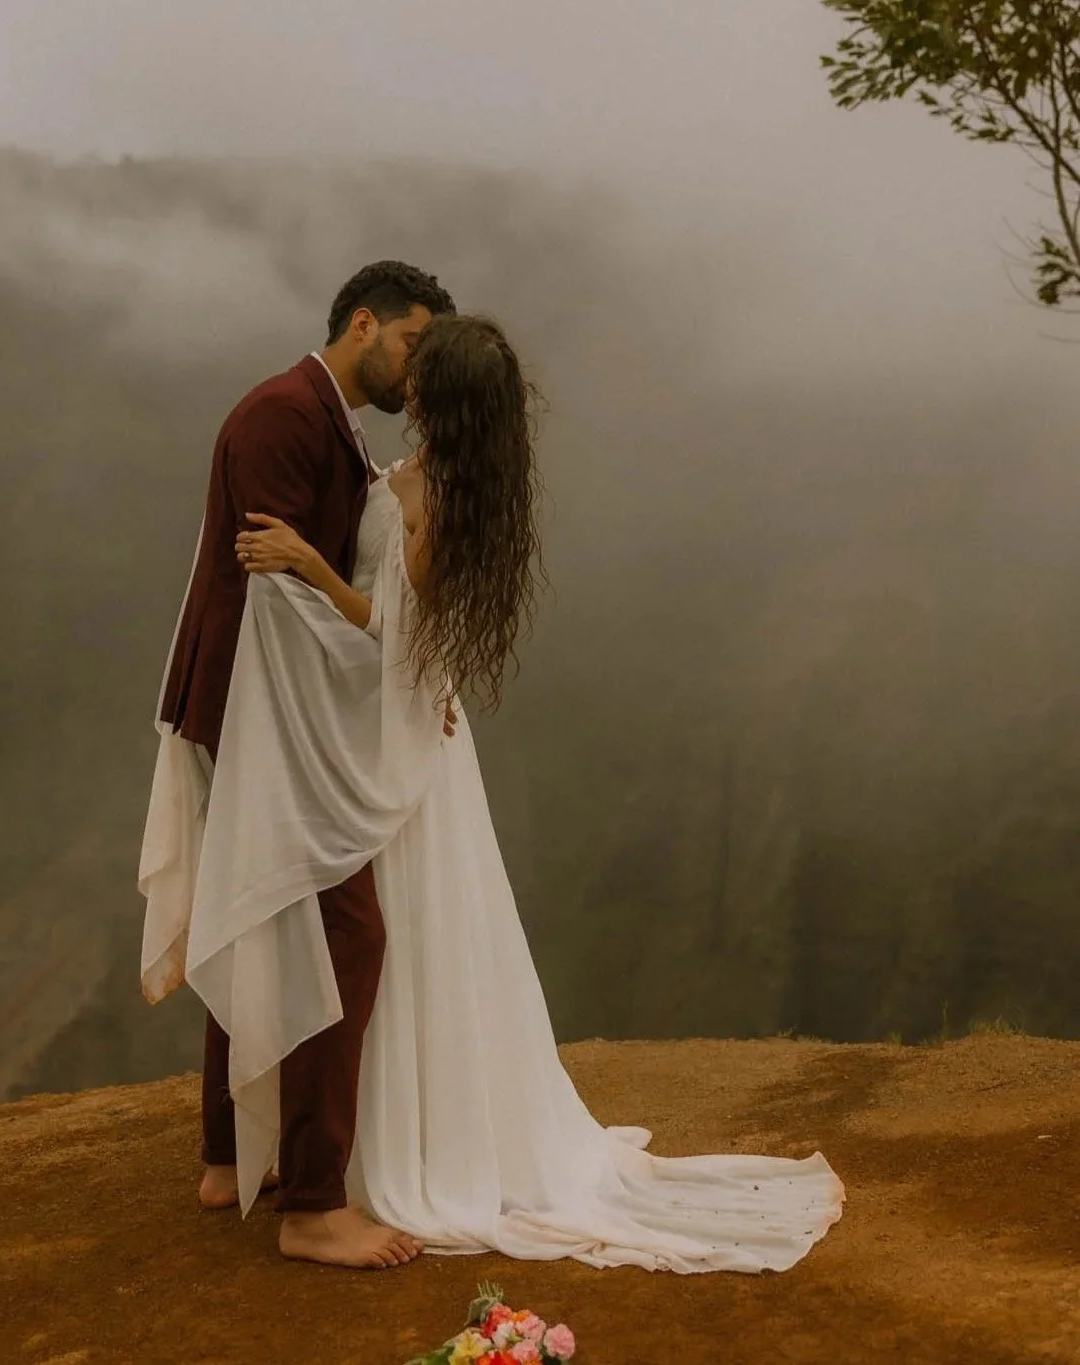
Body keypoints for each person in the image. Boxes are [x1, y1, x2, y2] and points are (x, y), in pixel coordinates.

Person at [215, 311, 846, 1271]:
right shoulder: (432, 475)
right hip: (389, 734)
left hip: (401, 745)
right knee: (380, 933)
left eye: (423, 377)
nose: (406, 384)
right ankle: (347, 1144)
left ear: (445, 399)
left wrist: (305, 563)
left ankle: (398, 1149)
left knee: (398, 933)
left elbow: (399, 640)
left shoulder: (450, 494)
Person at [139, 260, 456, 1270]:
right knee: (346, 930)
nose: (417, 367)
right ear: (363, 324)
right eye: (411, 342)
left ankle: (230, 1160)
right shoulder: (281, 416)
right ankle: (314, 1204)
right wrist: (371, 708)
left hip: (267, 705)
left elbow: (315, 587)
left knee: (262, 900)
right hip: (258, 708)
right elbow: (273, 598)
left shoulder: (326, 421)